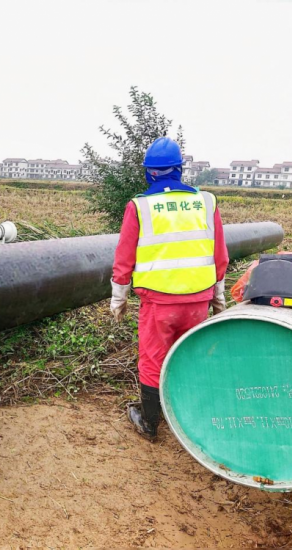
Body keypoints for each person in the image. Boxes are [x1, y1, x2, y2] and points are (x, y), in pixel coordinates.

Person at [110, 137, 229, 441]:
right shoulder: (206, 201)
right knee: (192, 356)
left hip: (159, 304)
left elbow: (124, 260)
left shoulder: (139, 206)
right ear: (179, 169)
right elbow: (219, 257)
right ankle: (196, 423)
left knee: (153, 360)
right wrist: (218, 298)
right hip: (198, 301)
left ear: (150, 172)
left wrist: (118, 300)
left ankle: (150, 423)